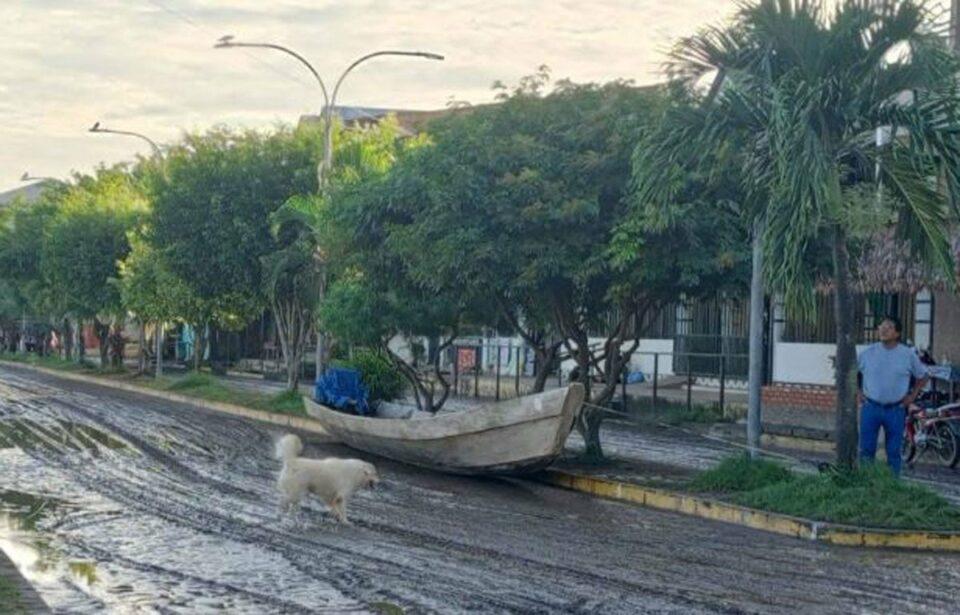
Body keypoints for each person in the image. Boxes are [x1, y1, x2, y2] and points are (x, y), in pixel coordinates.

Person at [857, 316, 929, 476]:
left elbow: (923, 376)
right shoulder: (868, 353)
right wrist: (858, 393)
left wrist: (912, 396)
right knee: (866, 449)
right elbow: (851, 372)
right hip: (871, 407)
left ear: (897, 333)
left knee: (894, 451)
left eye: (888, 327)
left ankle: (892, 484)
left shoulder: (907, 355)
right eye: (881, 326)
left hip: (896, 409)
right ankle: (864, 481)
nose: (883, 329)